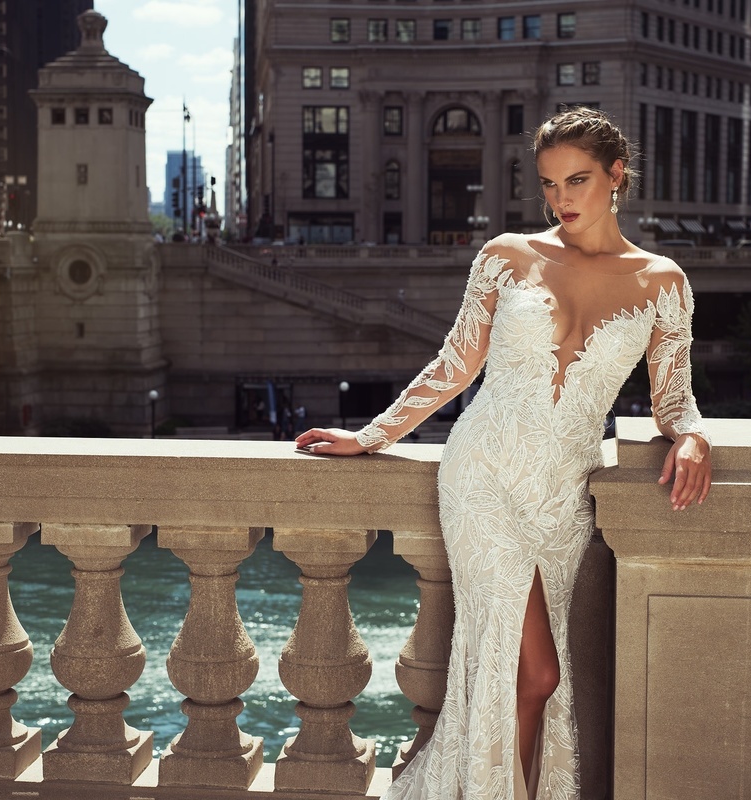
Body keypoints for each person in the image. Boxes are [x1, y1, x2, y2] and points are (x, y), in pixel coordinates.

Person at [294, 107, 712, 800]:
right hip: (483, 473)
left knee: (523, 677)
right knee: (537, 673)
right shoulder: (506, 256)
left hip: (561, 497)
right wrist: (371, 436)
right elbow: (454, 365)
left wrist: (693, 435)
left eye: (577, 180)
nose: (562, 199)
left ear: (616, 175)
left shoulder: (662, 281)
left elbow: (674, 399)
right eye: (549, 184)